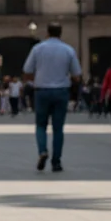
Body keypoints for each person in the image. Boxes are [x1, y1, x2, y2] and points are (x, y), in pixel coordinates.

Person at [23, 23, 82, 173]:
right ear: (60, 33)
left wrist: (38, 77)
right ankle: (56, 162)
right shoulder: (68, 50)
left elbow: (27, 70)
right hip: (61, 91)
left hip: (42, 90)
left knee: (41, 125)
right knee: (58, 128)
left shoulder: (37, 49)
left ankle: (42, 150)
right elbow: (77, 74)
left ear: (47, 32)